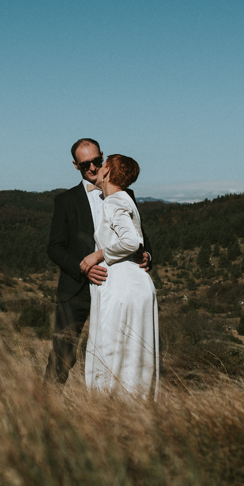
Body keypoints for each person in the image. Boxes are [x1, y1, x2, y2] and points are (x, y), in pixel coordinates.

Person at [44, 138, 151, 386]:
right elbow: (55, 248)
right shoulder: (66, 200)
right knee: (63, 354)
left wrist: (147, 254)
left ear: (102, 157)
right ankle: (44, 413)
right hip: (76, 292)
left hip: (118, 290)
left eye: (96, 161)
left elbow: (139, 236)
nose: (92, 168)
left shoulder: (126, 194)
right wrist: (84, 268)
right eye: (85, 165)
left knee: (118, 353)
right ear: (75, 166)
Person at [82, 153, 159, 398]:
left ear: (108, 173)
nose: (97, 169)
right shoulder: (125, 200)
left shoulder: (114, 201)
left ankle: (112, 406)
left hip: (123, 287)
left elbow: (131, 241)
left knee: (113, 347)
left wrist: (98, 255)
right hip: (136, 284)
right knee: (135, 352)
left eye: (102, 166)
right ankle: (136, 405)